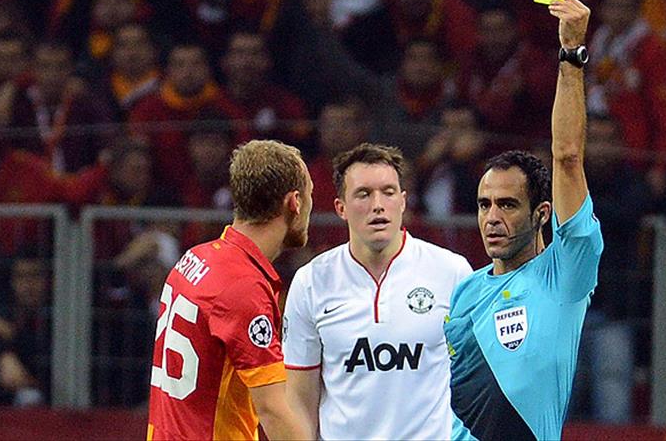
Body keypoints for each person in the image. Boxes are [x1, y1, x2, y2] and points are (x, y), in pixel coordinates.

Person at [443, 0, 603, 440]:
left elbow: (567, 157)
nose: (492, 217)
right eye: (485, 204)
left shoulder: (565, 274)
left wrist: (570, 53)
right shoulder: (464, 293)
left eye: (508, 204)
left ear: (542, 213)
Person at [283, 142, 473, 440]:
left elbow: (475, 381)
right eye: (364, 194)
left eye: (388, 192)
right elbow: (299, 400)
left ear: (403, 201)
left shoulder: (452, 272)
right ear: (341, 208)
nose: (378, 205)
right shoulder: (311, 282)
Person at [147, 140, 313, 441]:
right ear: (295, 202)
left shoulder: (194, 258)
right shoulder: (242, 286)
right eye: (311, 195)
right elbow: (273, 410)